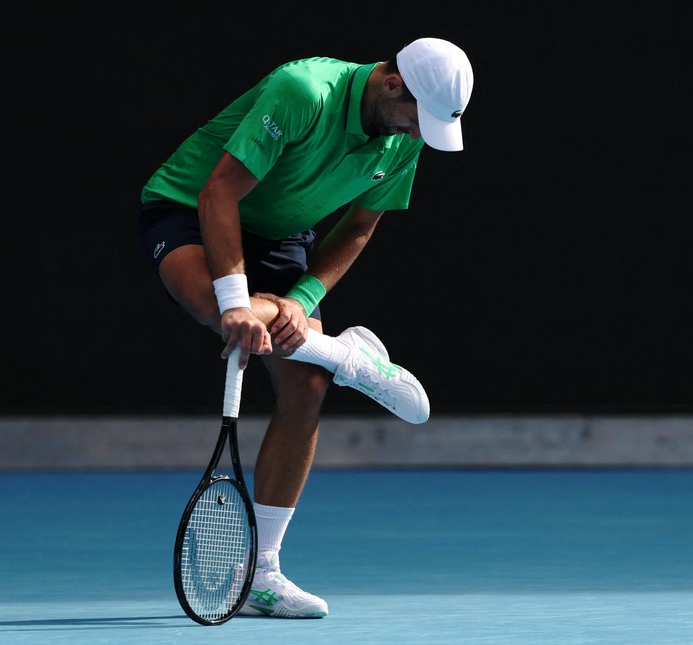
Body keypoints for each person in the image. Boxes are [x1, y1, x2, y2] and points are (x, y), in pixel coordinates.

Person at [139, 37, 474, 618]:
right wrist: (238, 302)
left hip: (284, 234)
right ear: (393, 84)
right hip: (192, 206)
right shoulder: (303, 91)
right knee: (214, 309)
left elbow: (361, 225)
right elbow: (220, 191)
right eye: (415, 120)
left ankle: (261, 573)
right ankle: (347, 358)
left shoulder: (403, 137)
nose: (417, 135)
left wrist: (302, 297)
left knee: (306, 387)